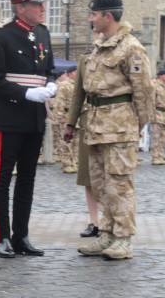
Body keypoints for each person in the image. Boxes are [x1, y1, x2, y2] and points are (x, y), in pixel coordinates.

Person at [65, 0, 153, 260]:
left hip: (119, 126)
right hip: (95, 126)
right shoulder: (99, 46)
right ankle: (107, 234)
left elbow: (144, 91)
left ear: (108, 16)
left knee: (120, 185)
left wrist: (137, 124)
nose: (90, 19)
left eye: (94, 15)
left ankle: (124, 239)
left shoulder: (131, 48)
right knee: (101, 184)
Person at [0, 0, 56, 258]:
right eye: (37, 5)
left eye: (42, 4)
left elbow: (48, 69)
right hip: (10, 115)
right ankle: (1, 236)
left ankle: (21, 235)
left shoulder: (42, 34)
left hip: (34, 117)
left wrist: (50, 85)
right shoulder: (1, 37)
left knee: (28, 178)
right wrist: (27, 93)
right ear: (20, 8)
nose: (43, 9)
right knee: (2, 178)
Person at [65, 53, 100, 238]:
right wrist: (71, 123)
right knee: (88, 176)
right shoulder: (85, 59)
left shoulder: (125, 52)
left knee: (114, 176)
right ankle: (94, 222)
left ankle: (112, 222)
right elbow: (78, 94)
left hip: (116, 122)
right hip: (88, 122)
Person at [54, 65, 79, 173]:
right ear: (69, 74)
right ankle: (67, 163)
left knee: (77, 142)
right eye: (75, 72)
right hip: (67, 116)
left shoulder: (80, 85)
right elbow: (60, 101)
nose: (78, 74)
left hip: (79, 117)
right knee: (66, 140)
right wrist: (60, 116)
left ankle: (76, 162)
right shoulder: (64, 85)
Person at [150, 69, 165, 165]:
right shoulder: (155, 86)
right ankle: (155, 157)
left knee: (163, 137)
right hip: (157, 113)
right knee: (156, 137)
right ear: (161, 76)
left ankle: (160, 155)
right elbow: (151, 102)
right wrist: (152, 116)